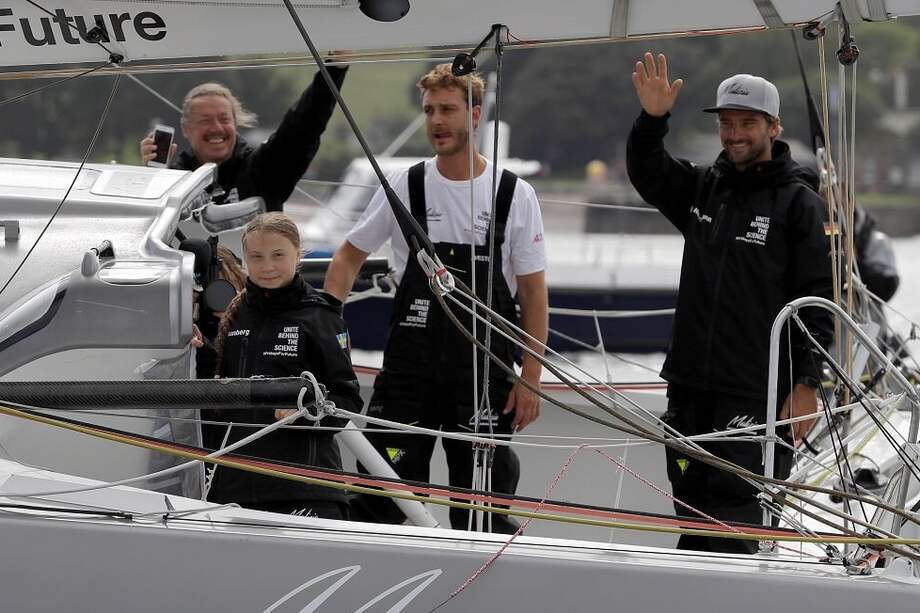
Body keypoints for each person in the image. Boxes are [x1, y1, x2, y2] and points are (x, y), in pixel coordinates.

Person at [323, 64, 549, 533]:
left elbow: (532, 292)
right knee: (382, 499)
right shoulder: (408, 184)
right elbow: (347, 256)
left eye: (447, 110)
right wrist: (328, 327)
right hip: (410, 369)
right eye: (429, 111)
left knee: (482, 513)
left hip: (484, 373)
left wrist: (530, 376)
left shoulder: (514, 194)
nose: (436, 121)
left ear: (474, 114)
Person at [626, 53, 834, 553]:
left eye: (746, 123)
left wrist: (807, 384)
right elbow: (647, 172)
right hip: (690, 388)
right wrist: (653, 120)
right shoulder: (703, 188)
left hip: (753, 395)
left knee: (739, 525)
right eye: (726, 123)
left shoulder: (800, 204)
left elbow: (818, 303)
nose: (734, 133)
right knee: (692, 516)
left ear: (773, 126)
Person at [205, 212, 362, 519]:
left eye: (278, 255)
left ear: (298, 254)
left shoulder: (321, 318)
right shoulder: (233, 318)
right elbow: (213, 393)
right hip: (234, 486)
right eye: (256, 257)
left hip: (305, 487)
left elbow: (348, 399)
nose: (267, 267)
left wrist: (306, 412)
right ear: (246, 259)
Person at [140, 64, 347, 211]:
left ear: (235, 124)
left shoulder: (265, 168)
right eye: (205, 121)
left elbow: (303, 125)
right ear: (186, 129)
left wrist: (334, 68)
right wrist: (155, 178)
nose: (217, 128)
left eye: (224, 119)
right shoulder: (175, 179)